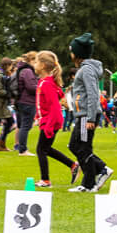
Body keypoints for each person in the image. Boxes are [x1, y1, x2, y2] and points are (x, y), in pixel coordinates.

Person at [67, 34, 114, 192]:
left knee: (82, 148)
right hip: (83, 114)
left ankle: (97, 175)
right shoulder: (85, 69)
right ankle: (92, 178)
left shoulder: (86, 70)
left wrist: (91, 118)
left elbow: (93, 94)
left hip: (87, 115)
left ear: (77, 53)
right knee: (75, 145)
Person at [32, 51, 78, 187]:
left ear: (43, 65)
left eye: (36, 62)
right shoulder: (45, 82)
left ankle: (45, 180)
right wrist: (37, 116)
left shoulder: (46, 83)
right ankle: (73, 165)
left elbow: (54, 107)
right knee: (45, 149)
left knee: (41, 150)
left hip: (51, 121)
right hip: (48, 120)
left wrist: (48, 127)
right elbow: (46, 101)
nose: (34, 64)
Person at [11, 51, 39, 156]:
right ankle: (23, 150)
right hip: (27, 101)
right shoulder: (28, 71)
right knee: (25, 126)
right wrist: (41, 88)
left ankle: (22, 147)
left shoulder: (22, 70)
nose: (37, 64)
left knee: (24, 125)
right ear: (31, 60)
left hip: (21, 101)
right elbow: (31, 87)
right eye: (36, 61)